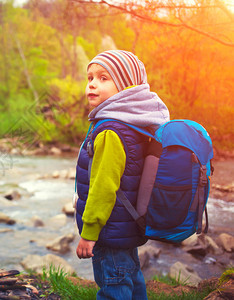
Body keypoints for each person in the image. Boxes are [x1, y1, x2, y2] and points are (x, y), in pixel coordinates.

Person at [75, 50, 170, 299]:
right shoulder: (136, 124)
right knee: (131, 280)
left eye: (104, 78)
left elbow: (104, 186)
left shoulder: (110, 131)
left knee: (113, 289)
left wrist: (89, 233)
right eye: (90, 77)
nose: (93, 83)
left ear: (127, 86)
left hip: (109, 231)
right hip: (126, 226)